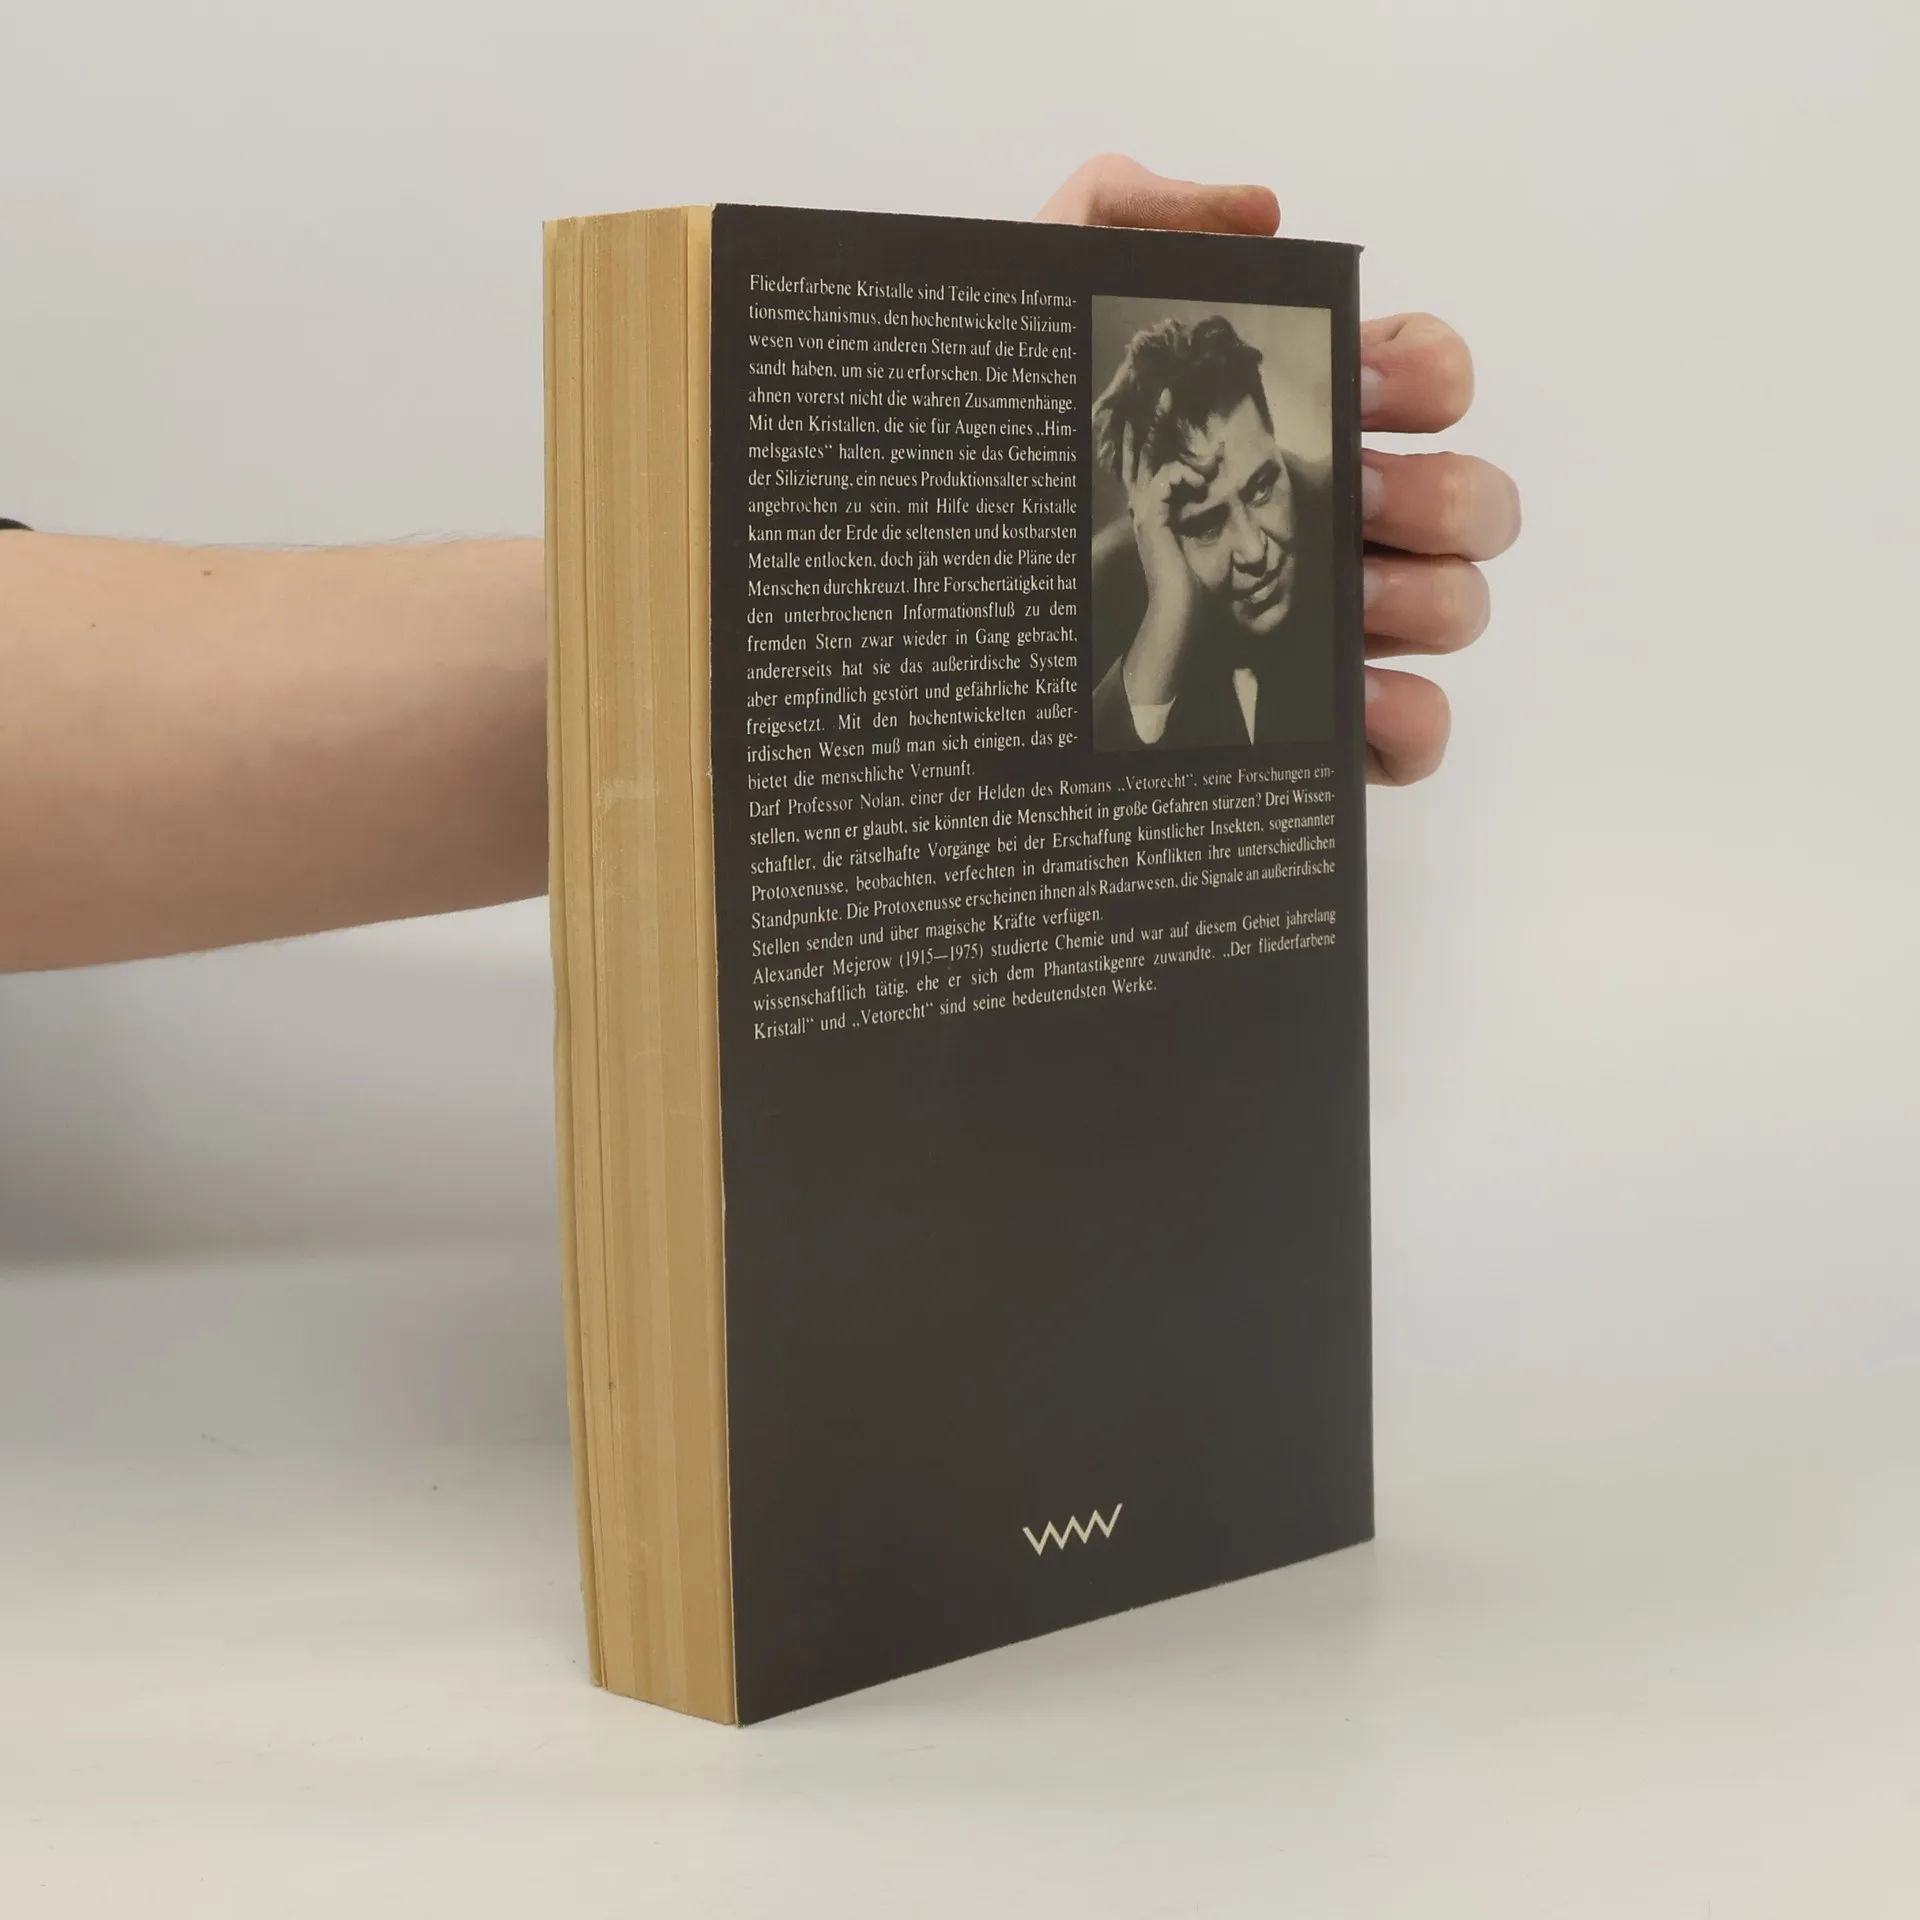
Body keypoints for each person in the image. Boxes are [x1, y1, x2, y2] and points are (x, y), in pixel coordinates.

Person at [0, 155, 1520, 975]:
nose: (1254, 541)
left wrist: (904, 527)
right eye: (1201, 510)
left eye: (1261, 489)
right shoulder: (1141, 631)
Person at [1090, 311, 1335, 749]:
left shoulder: (1345, 510)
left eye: (1262, 489)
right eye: (1206, 525)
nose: (1253, 550)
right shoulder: (1102, 586)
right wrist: (1169, 609)